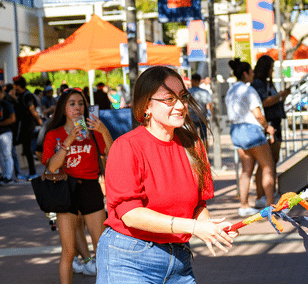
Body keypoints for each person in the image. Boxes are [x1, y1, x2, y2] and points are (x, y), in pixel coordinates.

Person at [96, 66, 238, 283]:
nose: (181, 106)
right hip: (129, 258)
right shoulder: (127, 146)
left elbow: (199, 205)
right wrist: (193, 227)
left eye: (183, 97)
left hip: (179, 258)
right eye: (169, 99)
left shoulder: (193, 144)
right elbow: (130, 213)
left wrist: (211, 227)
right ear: (146, 106)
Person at [42, 87, 113, 284]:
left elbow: (113, 153)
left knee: (101, 246)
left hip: (90, 187)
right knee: (69, 250)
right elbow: (52, 166)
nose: (77, 108)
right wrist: (69, 139)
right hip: (65, 190)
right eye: (72, 104)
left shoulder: (93, 129)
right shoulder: (53, 134)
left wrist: (103, 130)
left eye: (81, 103)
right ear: (63, 108)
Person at [225, 58, 276, 217]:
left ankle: (244, 205)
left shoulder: (230, 90)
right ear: (245, 73)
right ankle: (271, 206)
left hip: (236, 130)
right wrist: (268, 128)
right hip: (251, 130)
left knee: (246, 170)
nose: (253, 74)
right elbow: (258, 114)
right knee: (268, 166)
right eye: (251, 72)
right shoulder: (248, 90)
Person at [251, 55, 290, 207]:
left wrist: (281, 97)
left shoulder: (266, 83)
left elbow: (272, 101)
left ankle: (268, 193)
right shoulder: (259, 84)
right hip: (269, 124)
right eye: (271, 68)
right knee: (265, 162)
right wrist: (280, 95)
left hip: (275, 121)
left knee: (272, 160)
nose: (273, 71)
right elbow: (265, 102)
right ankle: (263, 195)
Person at [13, 76, 43, 180]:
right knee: (26, 149)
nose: (13, 87)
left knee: (27, 149)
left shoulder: (27, 95)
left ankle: (33, 172)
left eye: (15, 85)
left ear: (18, 85)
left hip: (28, 124)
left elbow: (32, 109)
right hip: (23, 125)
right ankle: (31, 172)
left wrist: (39, 121)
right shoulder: (20, 95)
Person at [188, 73, 212, 152]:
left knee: (192, 138)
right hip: (202, 116)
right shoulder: (204, 92)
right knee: (204, 137)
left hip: (191, 117)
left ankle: (195, 155)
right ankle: (206, 156)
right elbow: (209, 104)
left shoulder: (188, 92)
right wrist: (211, 114)